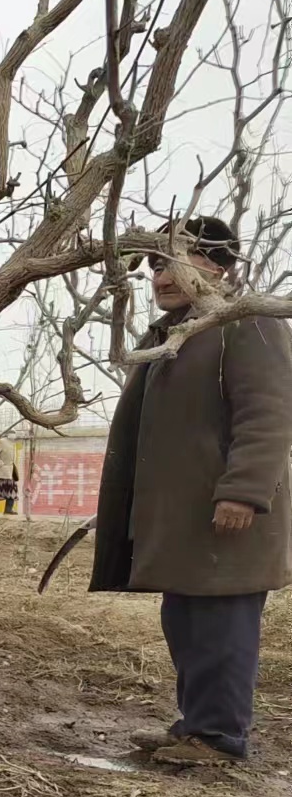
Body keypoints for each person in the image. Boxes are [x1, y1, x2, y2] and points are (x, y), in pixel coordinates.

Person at [90, 215, 292, 766]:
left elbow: (269, 415)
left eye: (178, 259)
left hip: (227, 513)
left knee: (221, 628)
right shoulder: (174, 334)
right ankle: (196, 726)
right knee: (185, 623)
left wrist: (244, 492)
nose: (160, 276)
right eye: (156, 264)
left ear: (221, 267)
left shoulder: (245, 323)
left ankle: (220, 739)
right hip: (185, 519)